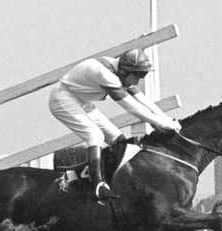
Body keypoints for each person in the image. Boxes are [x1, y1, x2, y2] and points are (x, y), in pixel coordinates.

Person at [48, 48, 182, 200]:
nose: (137, 80)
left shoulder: (118, 69)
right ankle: (98, 185)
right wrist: (160, 123)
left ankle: (96, 176)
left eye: (142, 75)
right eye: (137, 75)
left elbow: (140, 97)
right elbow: (131, 106)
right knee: (95, 135)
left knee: (118, 139)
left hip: (80, 100)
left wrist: (166, 119)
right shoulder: (105, 74)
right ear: (124, 71)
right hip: (62, 98)